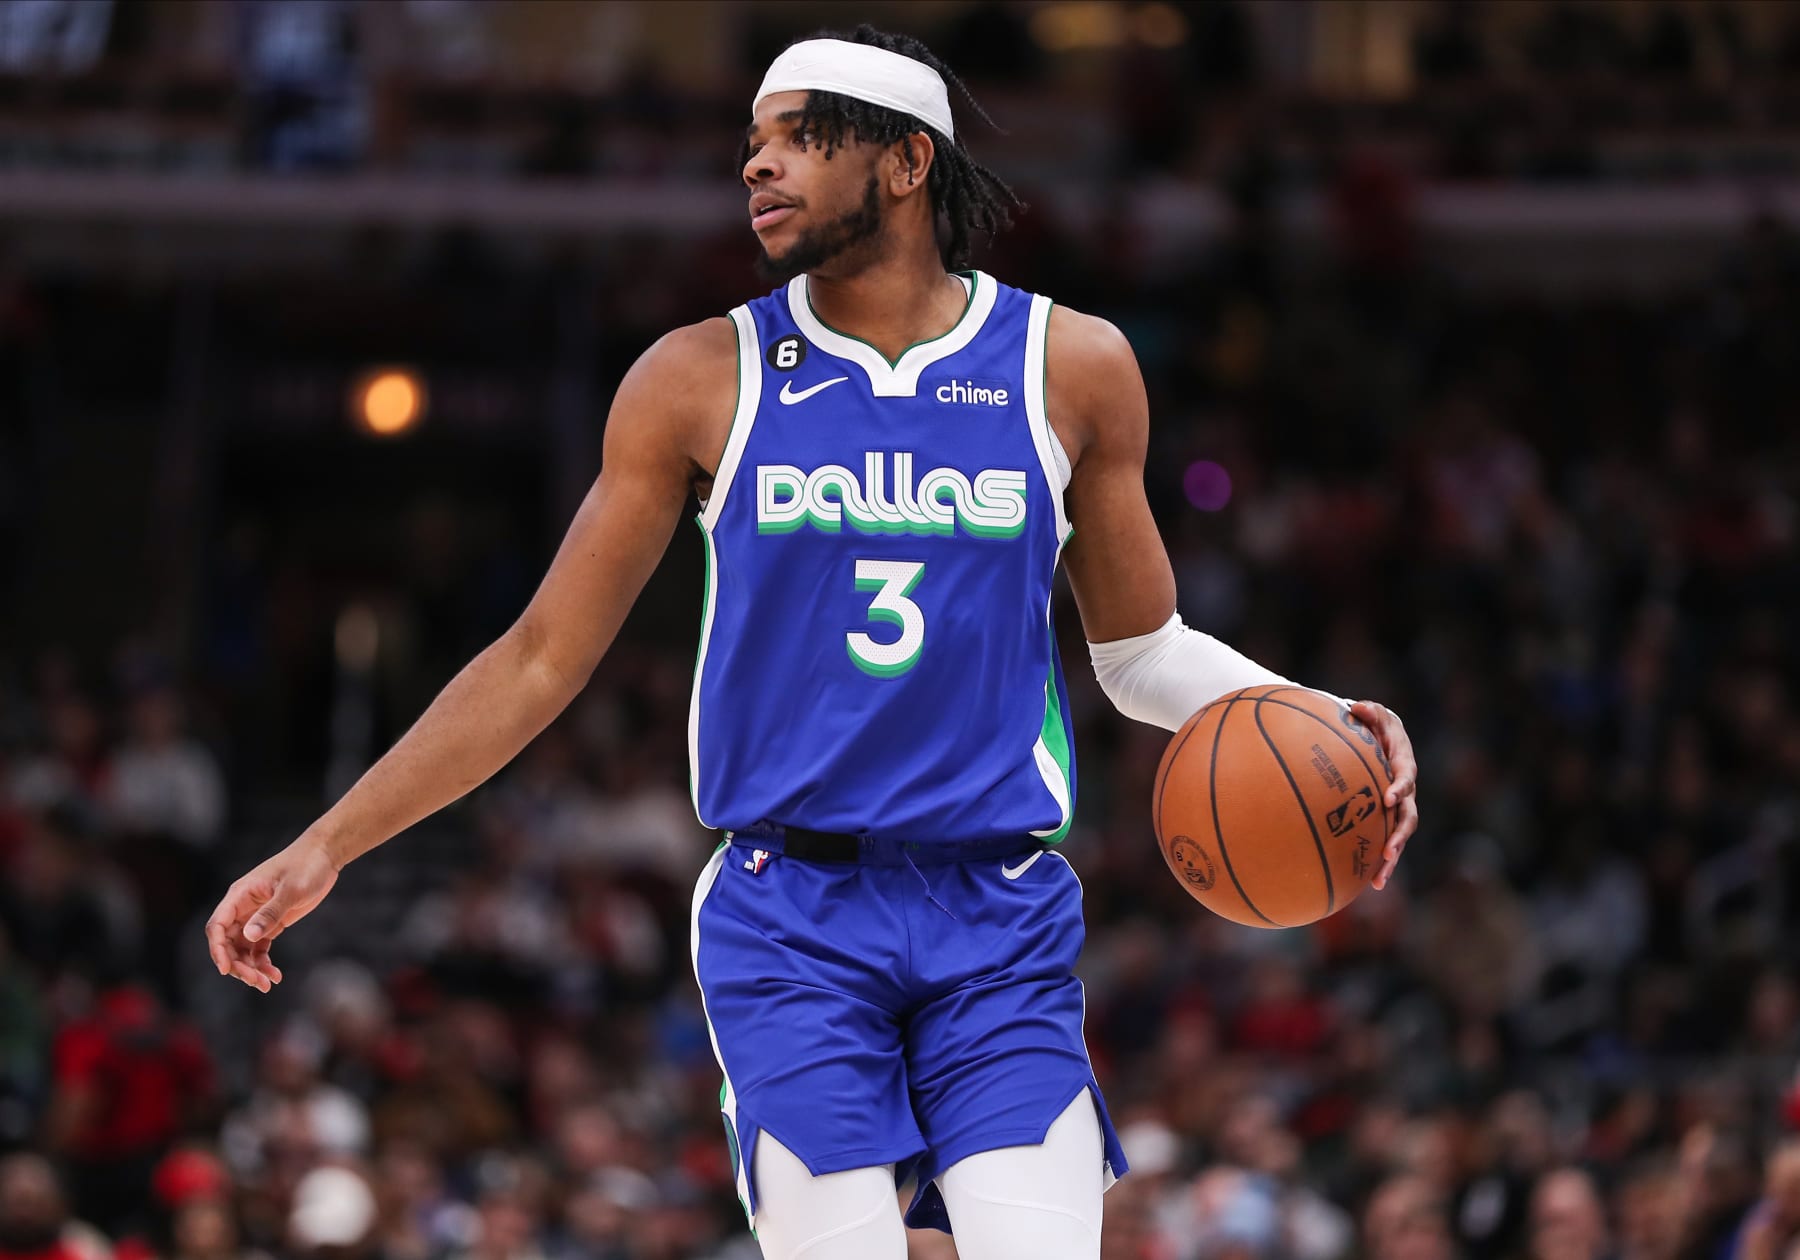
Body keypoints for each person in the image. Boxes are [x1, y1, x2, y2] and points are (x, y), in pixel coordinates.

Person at [206, 26, 1419, 1260]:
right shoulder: (697, 377)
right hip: (791, 913)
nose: (757, 166)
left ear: (903, 163)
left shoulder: (1073, 366)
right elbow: (536, 661)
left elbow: (1141, 653)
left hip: (995, 910)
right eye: (752, 143)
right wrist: (328, 843)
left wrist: (1321, 712)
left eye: (797, 136)